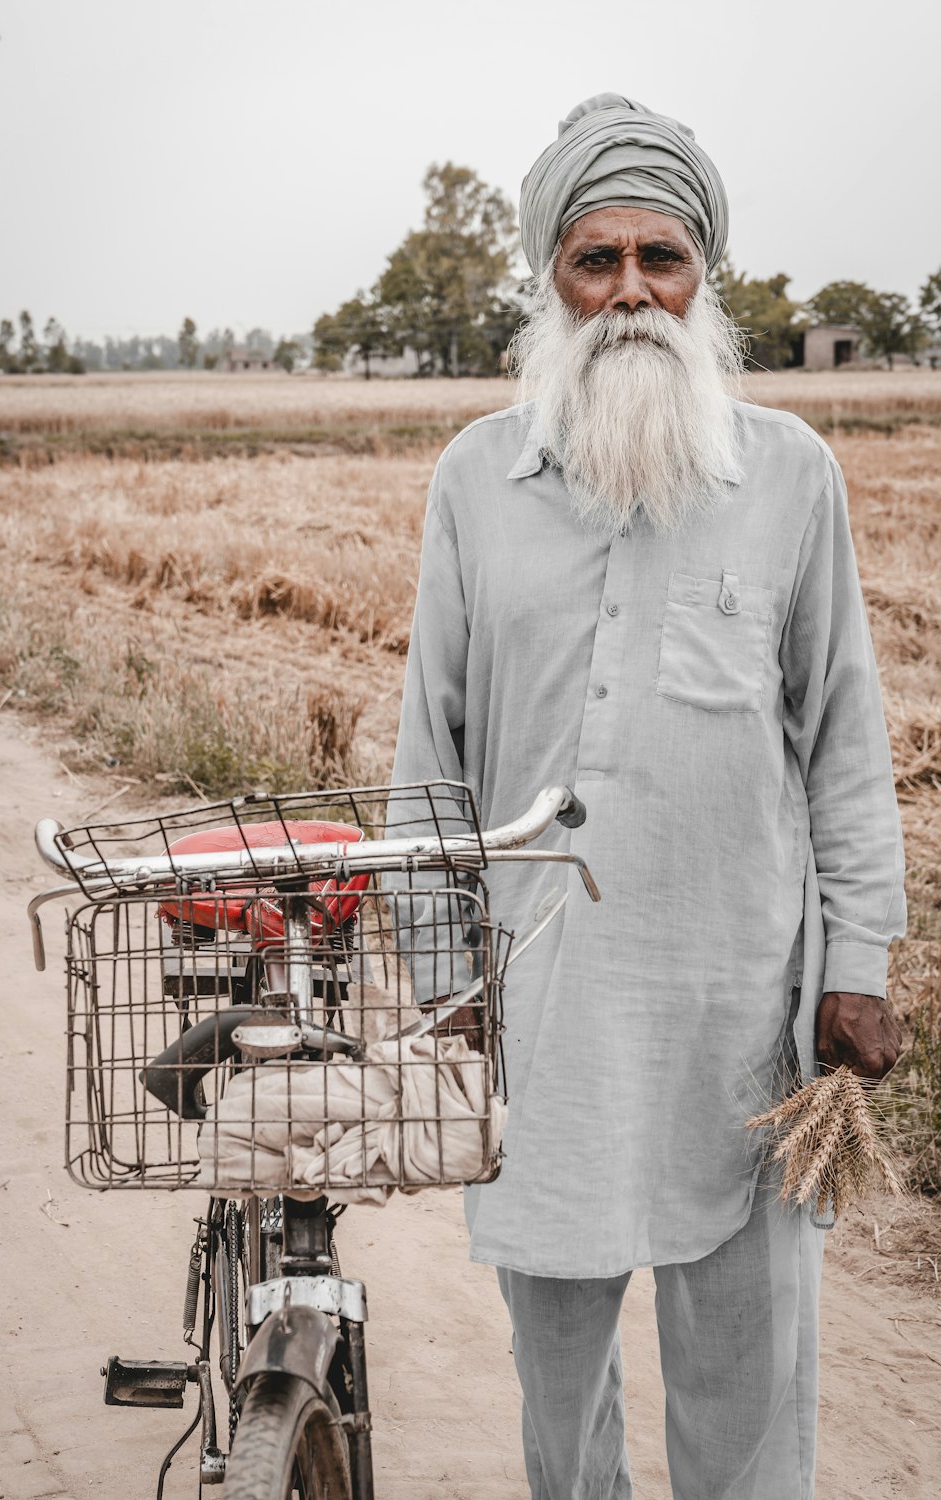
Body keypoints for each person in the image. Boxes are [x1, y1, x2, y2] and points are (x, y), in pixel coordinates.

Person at [390, 93, 906, 1500]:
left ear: (703, 278)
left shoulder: (789, 475)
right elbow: (425, 752)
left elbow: (845, 740)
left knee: (747, 1387)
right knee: (557, 1391)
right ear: (550, 281)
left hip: (741, 1012)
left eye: (659, 260)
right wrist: (443, 980)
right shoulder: (476, 481)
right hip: (539, 1009)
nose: (630, 294)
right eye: (595, 261)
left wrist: (853, 962)